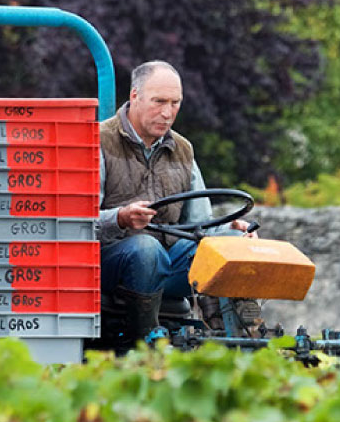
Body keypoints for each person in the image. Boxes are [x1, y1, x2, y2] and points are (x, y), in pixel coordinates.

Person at [95, 61, 260, 345]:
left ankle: (237, 338)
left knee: (229, 244)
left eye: (175, 103)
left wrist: (230, 231)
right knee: (146, 249)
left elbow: (200, 227)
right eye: (159, 102)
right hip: (110, 264)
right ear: (134, 96)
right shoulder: (98, 142)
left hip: (165, 262)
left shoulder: (183, 150)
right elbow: (76, 225)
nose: (167, 113)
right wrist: (120, 218)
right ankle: (145, 337)